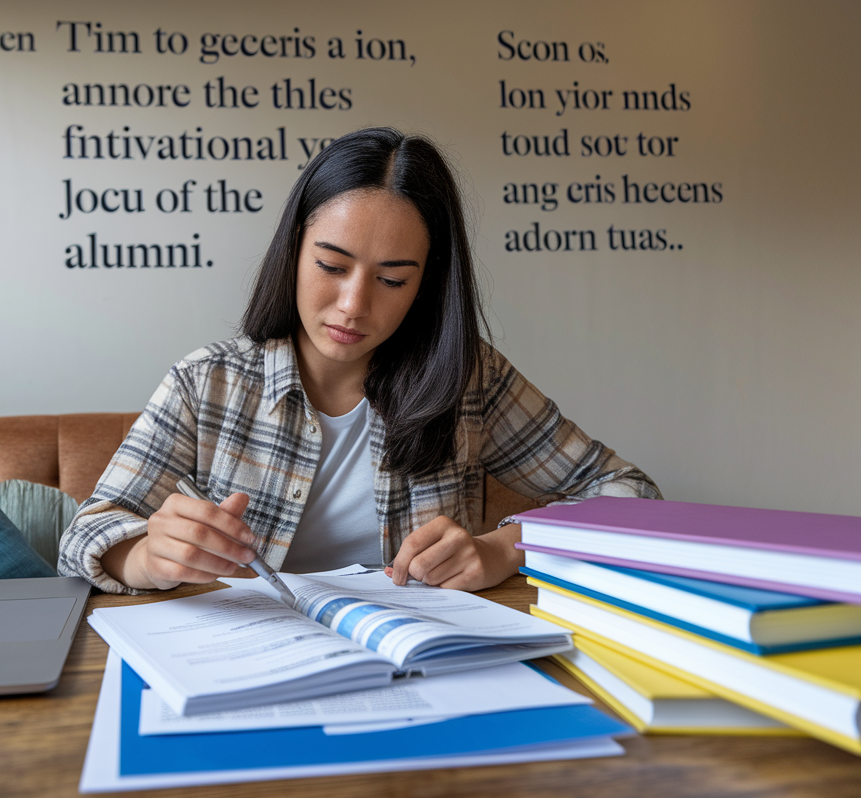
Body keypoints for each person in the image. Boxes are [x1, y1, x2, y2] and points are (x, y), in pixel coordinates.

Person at [57, 127, 660, 595]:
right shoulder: (207, 383)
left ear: (427, 284)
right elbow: (82, 535)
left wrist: (504, 549)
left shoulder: (470, 380)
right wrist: (143, 555)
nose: (353, 306)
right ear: (294, 252)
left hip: (418, 668)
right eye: (331, 266)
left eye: (393, 279)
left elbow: (631, 493)